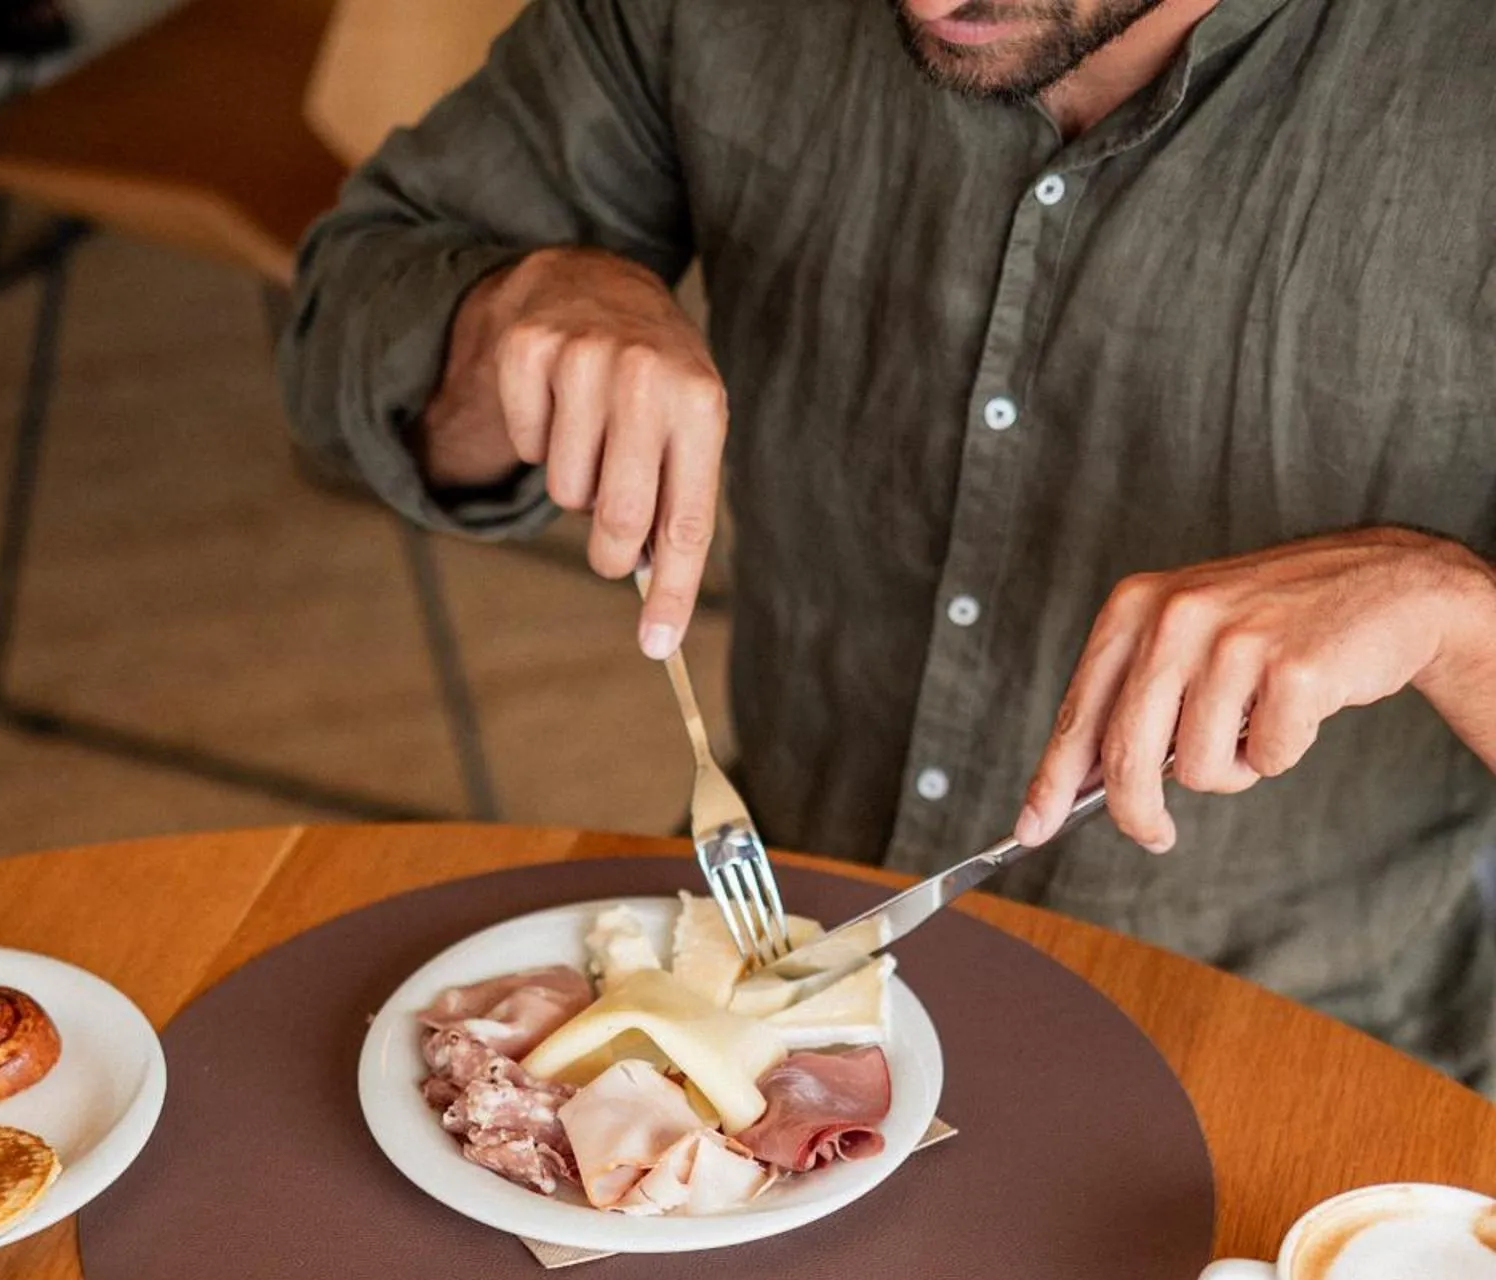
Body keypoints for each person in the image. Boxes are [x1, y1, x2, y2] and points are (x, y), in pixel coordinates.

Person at [280, 0, 1496, 1085]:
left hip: (1295, 1049)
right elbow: (347, 326)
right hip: (766, 965)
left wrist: (1448, 614)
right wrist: (518, 307)